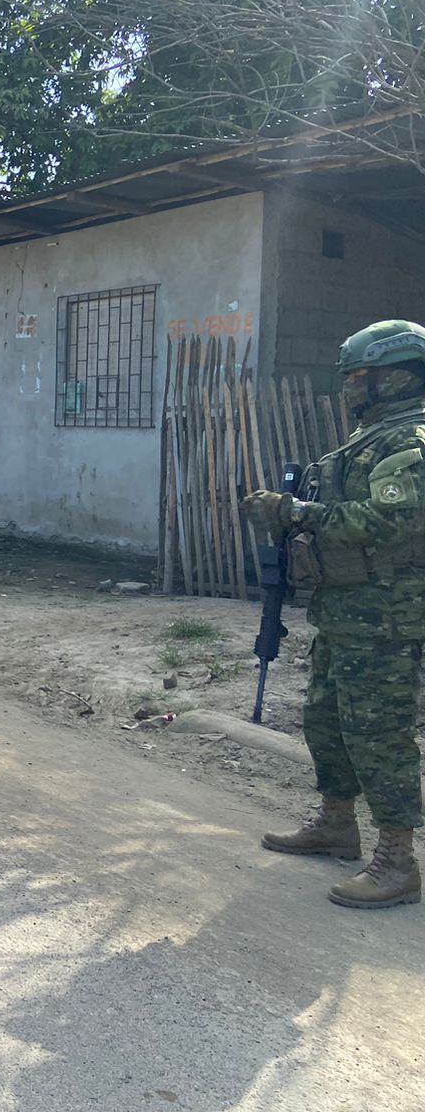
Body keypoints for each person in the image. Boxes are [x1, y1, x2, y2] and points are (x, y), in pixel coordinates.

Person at [245, 319, 425, 910]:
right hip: (345, 609)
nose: (347, 388)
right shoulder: (369, 438)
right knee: (325, 720)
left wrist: (298, 513)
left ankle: (397, 861)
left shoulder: (410, 442)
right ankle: (336, 825)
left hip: (387, 618)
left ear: (395, 378)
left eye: (357, 377)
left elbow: (387, 524)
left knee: (379, 736)